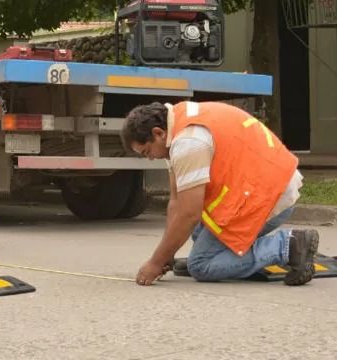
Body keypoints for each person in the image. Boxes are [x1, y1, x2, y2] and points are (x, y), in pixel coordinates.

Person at [120, 100, 320, 287]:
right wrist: (167, 256)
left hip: (270, 196)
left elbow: (189, 214)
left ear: (158, 133)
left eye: (147, 152)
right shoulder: (177, 126)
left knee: (201, 266)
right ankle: (228, 257)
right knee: (199, 235)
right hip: (265, 184)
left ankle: (288, 245)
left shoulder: (188, 143)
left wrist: (156, 262)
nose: (150, 159)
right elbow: (176, 202)